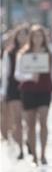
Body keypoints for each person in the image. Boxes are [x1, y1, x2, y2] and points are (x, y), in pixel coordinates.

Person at [14, 25, 52, 165]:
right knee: (30, 124)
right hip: (28, 91)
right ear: (31, 38)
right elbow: (17, 74)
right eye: (35, 36)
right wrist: (29, 76)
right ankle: (33, 154)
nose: (37, 39)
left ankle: (43, 154)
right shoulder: (23, 54)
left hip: (44, 91)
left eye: (40, 36)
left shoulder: (48, 54)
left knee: (43, 121)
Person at [2, 25, 30, 159]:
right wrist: (4, 91)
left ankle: (28, 141)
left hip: (30, 88)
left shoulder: (32, 52)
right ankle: (20, 149)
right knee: (17, 119)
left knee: (28, 119)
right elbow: (6, 73)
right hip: (14, 88)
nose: (22, 38)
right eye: (20, 35)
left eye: (25, 35)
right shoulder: (10, 52)